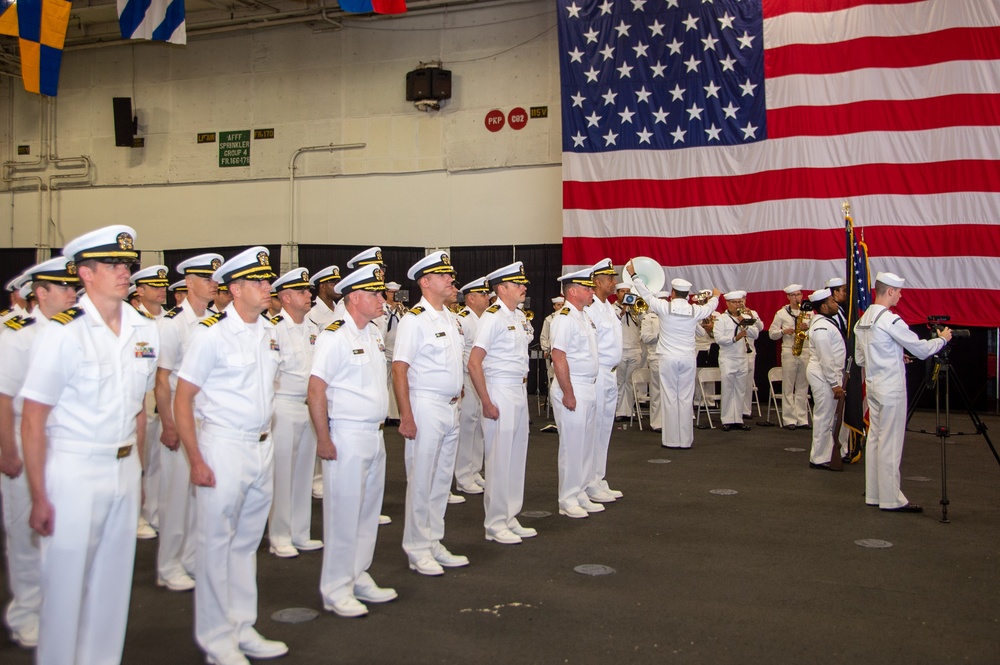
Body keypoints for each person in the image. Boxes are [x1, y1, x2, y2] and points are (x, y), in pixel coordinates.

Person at [20, 225, 158, 665]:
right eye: (113, 265)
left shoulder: (143, 329)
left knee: (112, 586)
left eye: (127, 265)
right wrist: (39, 495)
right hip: (74, 469)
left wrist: (137, 474)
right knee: (64, 587)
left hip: (122, 464)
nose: (124, 272)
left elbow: (138, 408)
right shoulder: (64, 333)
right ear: (85, 273)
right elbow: (34, 417)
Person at [173, 246, 288, 664]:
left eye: (266, 280)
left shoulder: (268, 331)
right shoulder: (211, 334)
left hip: (261, 446)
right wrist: (196, 459)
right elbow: (182, 399)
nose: (266, 286)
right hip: (222, 446)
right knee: (215, 544)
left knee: (245, 545)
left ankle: (242, 625)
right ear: (235, 289)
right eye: (258, 282)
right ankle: (215, 638)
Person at [308, 263, 397, 618]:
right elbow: (316, 389)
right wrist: (324, 439)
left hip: (374, 435)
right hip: (345, 435)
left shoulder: (373, 333)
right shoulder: (335, 335)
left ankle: (358, 574)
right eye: (375, 294)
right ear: (355, 298)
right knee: (343, 515)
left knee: (367, 512)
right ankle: (335, 588)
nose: (382, 300)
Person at [0, 256, 79, 650]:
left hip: (64, 444)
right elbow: (4, 397)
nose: (71, 293)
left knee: (60, 532)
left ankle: (55, 609)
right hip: (22, 438)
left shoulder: (75, 332)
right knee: (26, 533)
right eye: (63, 288)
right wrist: (7, 451)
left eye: (73, 287)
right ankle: (25, 613)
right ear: (40, 293)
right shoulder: (19, 334)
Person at [391, 252, 468, 575]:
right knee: (422, 480)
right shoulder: (414, 321)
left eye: (450, 275)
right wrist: (406, 416)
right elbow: (399, 369)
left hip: (450, 408)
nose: (451, 280)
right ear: (425, 282)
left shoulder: (450, 318)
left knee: (440, 480)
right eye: (444, 275)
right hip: (425, 407)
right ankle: (416, 547)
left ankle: (434, 540)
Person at [155, 253, 223, 593]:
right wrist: (168, 425)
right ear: (188, 283)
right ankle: (168, 564)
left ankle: (193, 558)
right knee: (176, 496)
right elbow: (161, 379)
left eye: (214, 278)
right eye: (206, 278)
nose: (214, 283)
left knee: (201, 496)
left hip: (207, 419)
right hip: (181, 417)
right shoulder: (172, 323)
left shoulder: (215, 321)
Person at [854, 272, 949, 512]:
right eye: (898, 291)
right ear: (889, 292)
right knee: (891, 442)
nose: (901, 295)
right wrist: (942, 340)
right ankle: (891, 499)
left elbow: (860, 358)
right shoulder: (890, 320)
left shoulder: (862, 320)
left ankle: (874, 494)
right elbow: (921, 349)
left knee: (875, 440)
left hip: (874, 385)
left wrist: (894, 354)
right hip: (891, 388)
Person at [468, 261, 536, 545]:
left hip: (519, 391)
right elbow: (474, 362)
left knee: (516, 457)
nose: (523, 288)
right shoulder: (493, 317)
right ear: (501, 288)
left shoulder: (517, 316)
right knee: (498, 459)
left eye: (522, 283)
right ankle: (495, 523)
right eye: (517, 284)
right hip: (499, 391)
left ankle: (509, 515)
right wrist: (485, 400)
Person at [628, 267, 719, 449]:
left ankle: (670, 440)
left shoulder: (664, 307)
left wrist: (634, 274)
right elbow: (711, 306)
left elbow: (645, 294)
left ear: (672, 293)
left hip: (668, 358)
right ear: (687, 295)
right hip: (687, 358)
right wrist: (716, 296)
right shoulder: (695, 310)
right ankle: (685, 440)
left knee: (669, 396)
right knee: (685, 398)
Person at [267, 268, 323, 558]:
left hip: (308, 406)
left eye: (308, 290)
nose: (308, 295)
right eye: (302, 292)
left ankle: (301, 531)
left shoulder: (313, 329)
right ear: (285, 297)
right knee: (282, 474)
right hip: (284, 406)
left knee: (304, 473)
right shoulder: (274, 328)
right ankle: (279, 534)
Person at [549, 268, 601, 519]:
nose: (592, 291)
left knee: (585, 444)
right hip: (573, 386)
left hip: (588, 385)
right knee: (572, 445)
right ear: (572, 291)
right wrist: (568, 393)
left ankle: (580, 491)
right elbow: (558, 357)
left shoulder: (583, 316)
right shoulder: (565, 318)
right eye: (587, 288)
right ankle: (567, 498)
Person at [131, 264, 171, 540]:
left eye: (162, 286)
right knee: (138, 460)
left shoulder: (170, 320)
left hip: (165, 398)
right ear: (139, 291)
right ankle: (136, 515)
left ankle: (155, 512)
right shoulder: (132, 322)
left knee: (160, 462)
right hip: (142, 398)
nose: (161, 290)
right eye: (154, 287)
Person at [584, 259, 624, 502]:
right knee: (594, 428)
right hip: (598, 374)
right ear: (597, 282)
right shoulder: (589, 308)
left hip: (611, 374)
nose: (614, 282)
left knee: (604, 429)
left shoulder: (609, 307)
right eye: (610, 278)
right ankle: (589, 482)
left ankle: (598, 478)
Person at [454, 277, 491, 494]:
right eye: (483, 295)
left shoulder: (485, 319)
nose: (487, 298)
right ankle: (462, 475)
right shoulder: (463, 320)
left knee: (479, 427)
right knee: (467, 427)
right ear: (470, 298)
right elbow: (458, 353)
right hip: (468, 379)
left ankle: (475, 470)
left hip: (482, 379)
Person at [805, 289, 846, 470]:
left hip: (826, 375)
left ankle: (827, 452)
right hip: (823, 376)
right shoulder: (822, 327)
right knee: (824, 416)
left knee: (829, 416)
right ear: (823, 306)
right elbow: (826, 358)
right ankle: (819, 457)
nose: (835, 303)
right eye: (831, 301)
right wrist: (834, 383)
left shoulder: (826, 323)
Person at [713, 290, 759, 431]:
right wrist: (734, 338)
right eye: (735, 302)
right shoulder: (722, 319)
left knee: (740, 389)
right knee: (727, 388)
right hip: (728, 357)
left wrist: (743, 322)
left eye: (740, 302)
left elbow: (755, 334)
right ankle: (727, 419)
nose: (738, 305)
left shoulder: (745, 316)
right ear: (728, 303)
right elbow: (719, 339)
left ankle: (738, 418)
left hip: (742, 357)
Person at [768, 284, 812, 429]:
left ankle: (802, 418)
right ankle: (789, 419)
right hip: (789, 350)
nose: (797, 297)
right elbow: (772, 334)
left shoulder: (808, 312)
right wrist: (783, 331)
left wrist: (808, 328)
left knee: (802, 386)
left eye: (799, 294)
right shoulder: (781, 313)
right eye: (793, 295)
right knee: (788, 386)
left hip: (805, 349)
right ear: (788, 297)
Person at [614, 282, 644, 420]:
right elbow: (615, 321)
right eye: (622, 291)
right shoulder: (612, 308)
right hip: (620, 349)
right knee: (619, 382)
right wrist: (624, 308)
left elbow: (644, 320)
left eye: (628, 291)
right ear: (617, 293)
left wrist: (636, 309)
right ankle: (620, 411)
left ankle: (630, 410)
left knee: (631, 381)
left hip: (635, 349)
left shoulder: (635, 308)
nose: (625, 294)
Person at [639, 292, 666, 431]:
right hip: (655, 356)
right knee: (657, 391)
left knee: (669, 391)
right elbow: (645, 337)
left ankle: (669, 421)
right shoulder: (649, 318)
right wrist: (660, 335)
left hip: (669, 357)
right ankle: (657, 423)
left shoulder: (669, 316)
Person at [739, 295, 764, 420]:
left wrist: (752, 316)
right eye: (738, 300)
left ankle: (746, 410)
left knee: (748, 382)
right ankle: (736, 410)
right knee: (738, 383)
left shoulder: (752, 312)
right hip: (737, 352)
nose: (741, 302)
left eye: (743, 299)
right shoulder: (731, 315)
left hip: (750, 351)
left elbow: (760, 328)